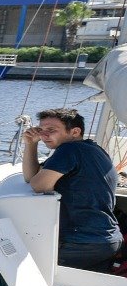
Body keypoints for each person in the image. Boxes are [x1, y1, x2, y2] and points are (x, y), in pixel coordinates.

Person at [22, 106, 123, 271]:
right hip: (106, 240)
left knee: (22, 265)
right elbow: (31, 177)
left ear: (75, 132)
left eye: (51, 130)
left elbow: (38, 185)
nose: (43, 134)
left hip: (82, 242)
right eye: (41, 130)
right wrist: (31, 144)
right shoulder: (93, 149)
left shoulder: (69, 149)